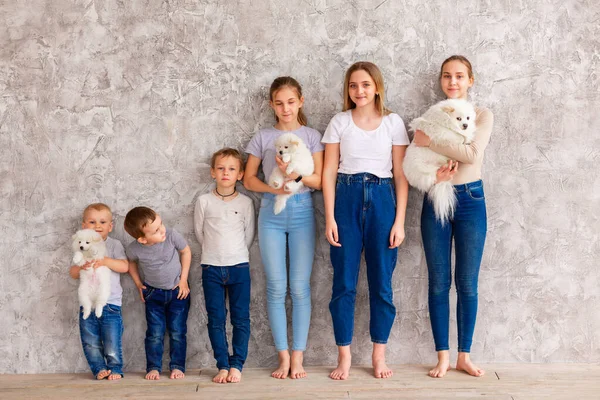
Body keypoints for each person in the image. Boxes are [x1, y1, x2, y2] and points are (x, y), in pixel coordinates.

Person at [321, 61, 410, 380]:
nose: (359, 91)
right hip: (345, 199)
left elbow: (401, 175)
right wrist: (330, 216)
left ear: (377, 88)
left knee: (382, 285)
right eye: (353, 85)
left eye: (365, 85)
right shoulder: (339, 122)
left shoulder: (393, 122)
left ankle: (378, 355)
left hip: (383, 200)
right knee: (343, 283)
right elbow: (329, 171)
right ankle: (344, 356)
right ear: (348, 90)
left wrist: (399, 221)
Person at [413, 55, 494, 378]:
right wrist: (435, 147)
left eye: (460, 76)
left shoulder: (482, 115)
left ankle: (464, 355)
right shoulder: (432, 116)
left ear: (470, 80)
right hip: (436, 196)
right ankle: (443, 356)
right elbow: (417, 156)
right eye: (447, 76)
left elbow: (472, 154)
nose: (453, 82)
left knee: (467, 284)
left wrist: (433, 141)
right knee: (438, 282)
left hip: (472, 199)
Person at [243, 76, 324, 379]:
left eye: (291, 102)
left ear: (301, 101)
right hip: (271, 215)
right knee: (276, 287)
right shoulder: (263, 137)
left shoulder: (313, 136)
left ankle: (299, 357)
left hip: (303, 212)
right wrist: (275, 190)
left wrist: (297, 179)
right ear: (271, 105)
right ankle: (283, 357)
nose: (285, 108)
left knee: (300, 288)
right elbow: (248, 179)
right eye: (279, 103)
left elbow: (321, 179)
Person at [194, 148, 255, 383]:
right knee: (216, 318)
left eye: (231, 169)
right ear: (213, 172)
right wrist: (215, 253)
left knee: (240, 318)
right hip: (211, 267)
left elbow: (249, 234)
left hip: (239, 267)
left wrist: (234, 254)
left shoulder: (246, 203)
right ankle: (222, 364)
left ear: (240, 174)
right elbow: (200, 232)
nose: (225, 173)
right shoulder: (204, 201)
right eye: (221, 168)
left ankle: (237, 364)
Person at [124, 206, 191, 380]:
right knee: (155, 332)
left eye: (160, 224)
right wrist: (138, 283)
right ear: (143, 239)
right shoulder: (134, 248)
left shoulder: (171, 235)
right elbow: (131, 263)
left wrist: (183, 280)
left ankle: (177, 366)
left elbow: (185, 251)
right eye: (155, 230)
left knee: (177, 331)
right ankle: (153, 367)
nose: (162, 230)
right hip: (153, 294)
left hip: (178, 291)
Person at [69, 203, 128, 380]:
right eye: (92, 222)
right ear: (84, 225)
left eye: (102, 222)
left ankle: (115, 368)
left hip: (111, 303)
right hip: (87, 303)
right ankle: (99, 368)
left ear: (110, 226)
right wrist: (81, 267)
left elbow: (125, 266)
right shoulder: (81, 246)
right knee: (90, 340)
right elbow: (72, 273)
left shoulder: (115, 245)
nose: (97, 226)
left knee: (112, 339)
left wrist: (105, 261)